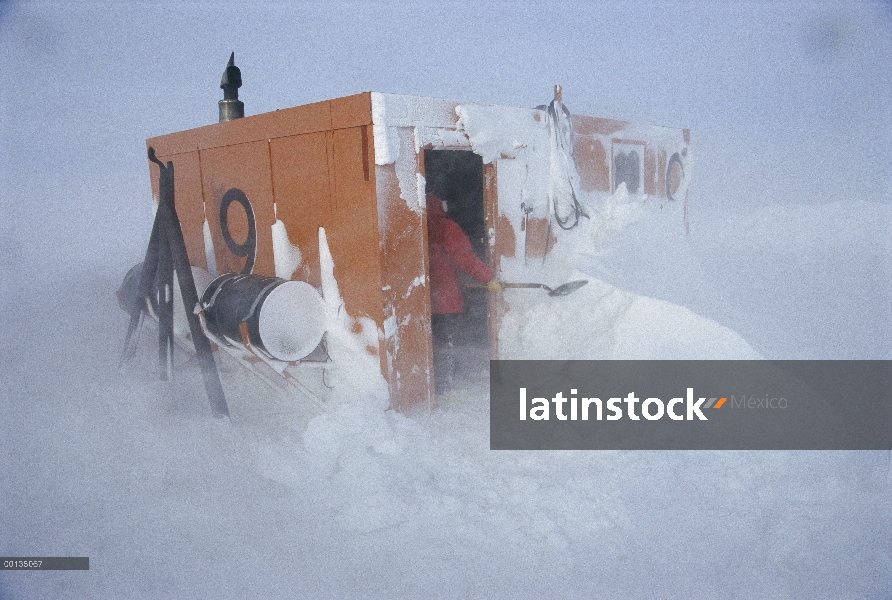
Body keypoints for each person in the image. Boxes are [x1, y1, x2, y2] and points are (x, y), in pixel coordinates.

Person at [425, 193, 501, 390]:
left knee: (432, 345)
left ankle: (436, 385)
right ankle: (446, 388)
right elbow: (463, 257)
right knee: (446, 345)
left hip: (423, 301)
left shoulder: (418, 227)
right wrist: (488, 278)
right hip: (445, 300)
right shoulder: (446, 227)